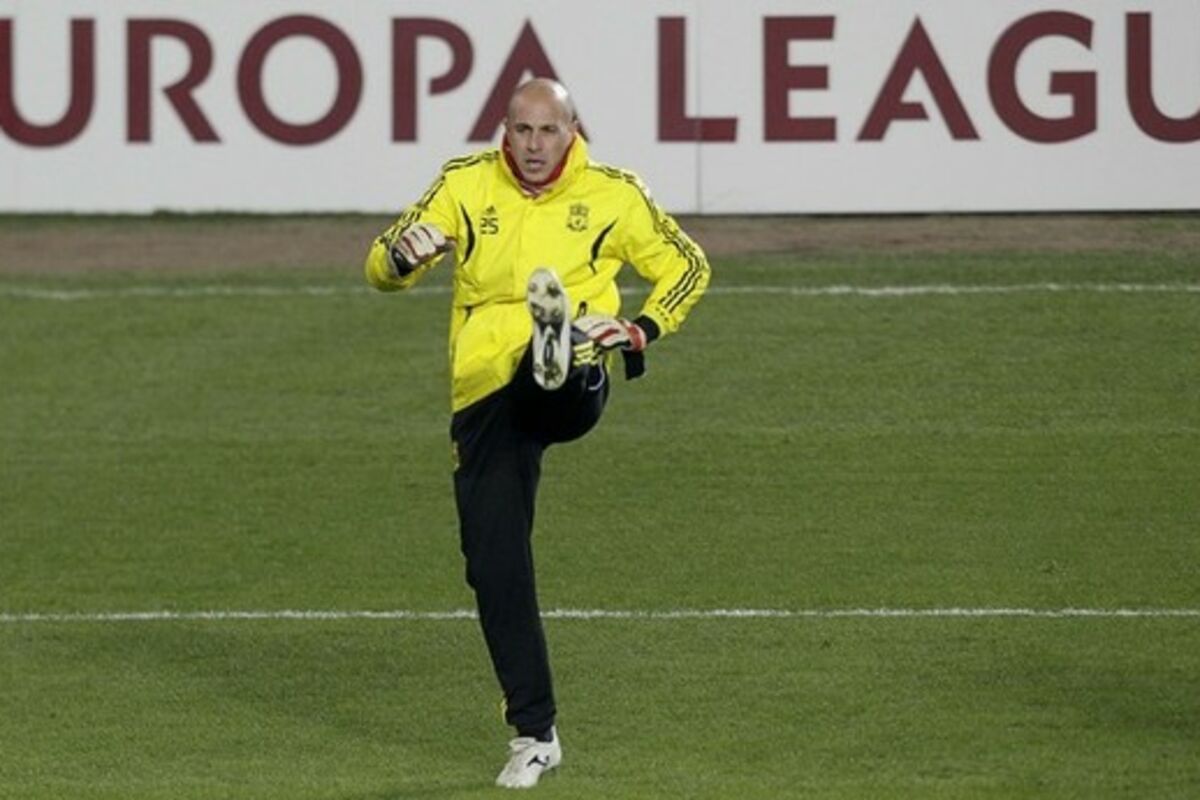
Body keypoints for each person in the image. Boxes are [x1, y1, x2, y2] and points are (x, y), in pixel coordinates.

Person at [363, 78, 709, 789]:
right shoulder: (464, 183)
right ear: (505, 129)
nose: (533, 145)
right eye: (521, 130)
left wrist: (641, 329)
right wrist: (399, 257)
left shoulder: (614, 193)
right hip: (483, 394)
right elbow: (381, 266)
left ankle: (561, 348)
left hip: (575, 377)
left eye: (549, 130)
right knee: (493, 564)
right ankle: (535, 735)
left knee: (557, 368)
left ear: (573, 131)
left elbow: (688, 265)